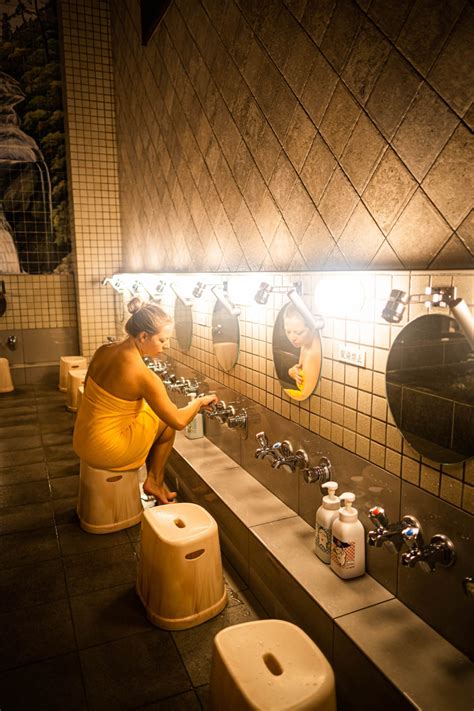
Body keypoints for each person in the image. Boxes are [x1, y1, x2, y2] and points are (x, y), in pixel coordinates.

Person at [73, 298, 217, 505]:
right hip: (106, 450)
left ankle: (154, 482)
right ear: (143, 336)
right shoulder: (143, 376)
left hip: (82, 438)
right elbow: (178, 421)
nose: (166, 346)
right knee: (167, 420)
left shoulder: (103, 350)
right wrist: (199, 402)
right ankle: (155, 481)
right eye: (162, 340)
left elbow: (90, 392)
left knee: (151, 412)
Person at [283, 304, 322, 401]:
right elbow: (303, 371)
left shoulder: (313, 354)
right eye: (288, 332)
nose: (292, 338)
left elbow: (306, 396)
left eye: (298, 333)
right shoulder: (304, 342)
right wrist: (292, 372)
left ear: (312, 328)